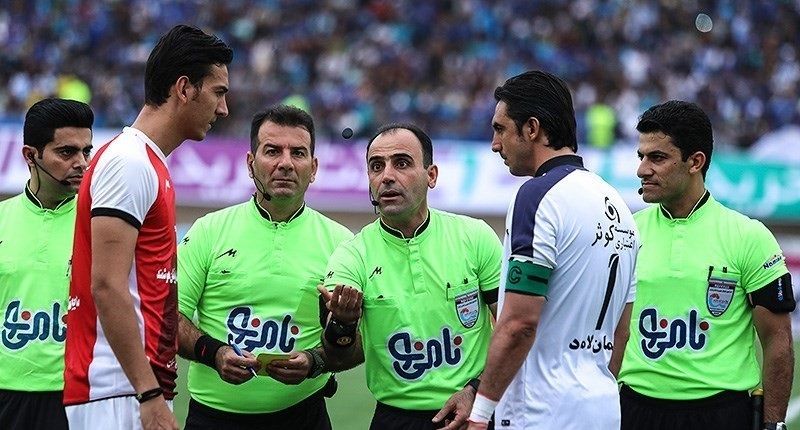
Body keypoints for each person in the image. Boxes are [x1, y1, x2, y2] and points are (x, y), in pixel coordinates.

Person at [63, 24, 232, 430]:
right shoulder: (129, 163)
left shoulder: (146, 162)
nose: (223, 109)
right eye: (218, 92)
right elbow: (106, 285)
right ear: (184, 88)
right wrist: (148, 393)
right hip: (117, 392)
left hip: (131, 390)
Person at [466, 70, 639, 430]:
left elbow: (519, 323)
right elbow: (621, 331)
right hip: (602, 408)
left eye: (500, 129)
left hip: (542, 411)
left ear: (532, 128)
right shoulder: (618, 205)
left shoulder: (537, 196)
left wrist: (479, 415)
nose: (495, 144)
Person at [618, 100, 795, 430]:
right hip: (636, 410)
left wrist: (773, 424)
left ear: (695, 162)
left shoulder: (748, 236)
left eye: (657, 158)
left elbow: (778, 340)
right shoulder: (626, 232)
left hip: (721, 413)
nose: (642, 169)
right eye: (641, 156)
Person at [176, 104, 353, 429]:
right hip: (212, 419)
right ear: (250, 163)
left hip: (304, 417)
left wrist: (314, 361)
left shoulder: (342, 243)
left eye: (298, 153)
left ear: (313, 167)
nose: (285, 163)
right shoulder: (208, 231)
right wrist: (213, 353)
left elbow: (364, 337)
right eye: (272, 151)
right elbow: (167, 317)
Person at [319, 122, 503, 430]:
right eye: (376, 166)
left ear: (431, 175)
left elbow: (512, 329)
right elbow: (337, 357)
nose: (387, 176)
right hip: (396, 419)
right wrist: (343, 325)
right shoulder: (351, 256)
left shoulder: (475, 237)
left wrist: (476, 389)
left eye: (402, 163)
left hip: (475, 410)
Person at [0, 98, 93, 430]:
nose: (81, 163)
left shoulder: (103, 226)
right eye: (67, 152)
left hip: (77, 394)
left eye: (86, 151)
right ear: (31, 155)